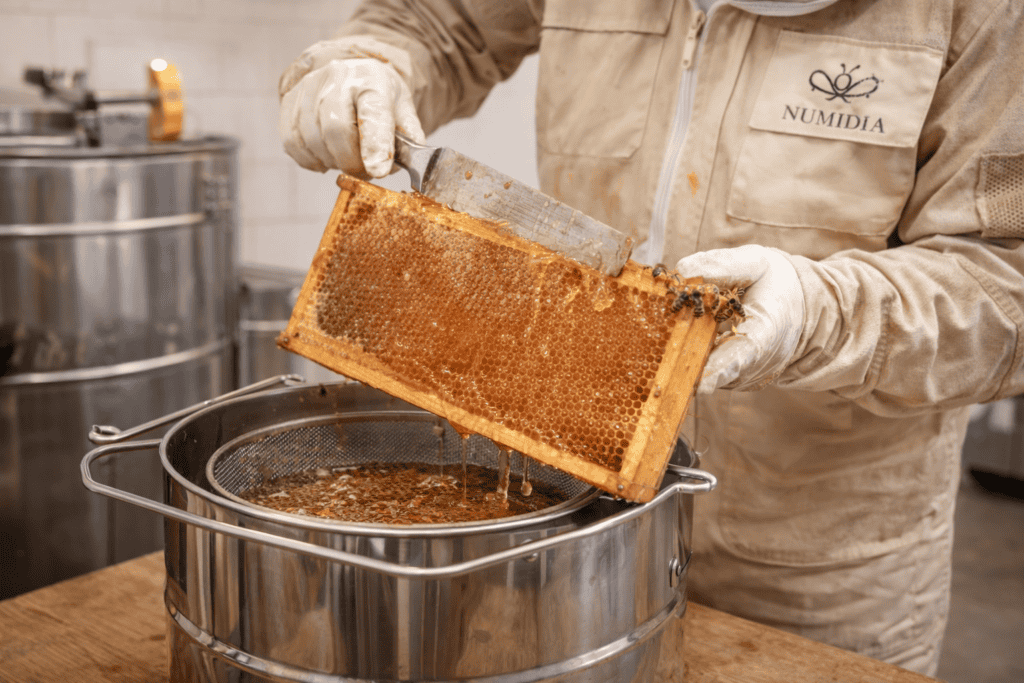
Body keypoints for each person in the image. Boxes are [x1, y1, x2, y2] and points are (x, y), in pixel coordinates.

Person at [278, 0, 1024, 676]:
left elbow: (1005, 289)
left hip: (821, 569)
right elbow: (440, 24)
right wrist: (368, 67)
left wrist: (820, 313)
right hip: (573, 520)